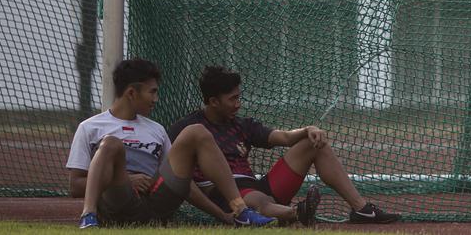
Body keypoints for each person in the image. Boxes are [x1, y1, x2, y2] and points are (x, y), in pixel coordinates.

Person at [167, 65, 400, 225]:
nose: (239, 104)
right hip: (230, 197)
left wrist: (309, 130)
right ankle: (296, 214)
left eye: (240, 97)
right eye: (233, 99)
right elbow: (175, 174)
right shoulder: (187, 130)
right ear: (213, 101)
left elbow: (285, 138)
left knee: (312, 144)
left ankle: (361, 210)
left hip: (257, 187)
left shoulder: (241, 124)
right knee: (257, 200)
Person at [67, 57, 276, 229]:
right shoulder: (90, 127)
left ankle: (241, 211)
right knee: (111, 144)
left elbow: (183, 183)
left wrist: (222, 215)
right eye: (153, 92)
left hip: (156, 205)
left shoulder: (156, 129)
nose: (156, 99)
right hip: (119, 203)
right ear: (131, 93)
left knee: (195, 131)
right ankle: (89, 217)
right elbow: (75, 186)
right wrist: (128, 181)